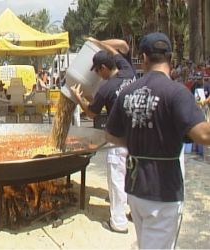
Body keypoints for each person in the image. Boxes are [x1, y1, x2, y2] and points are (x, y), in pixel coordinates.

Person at [105, 32, 210, 249]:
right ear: (170, 58)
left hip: (135, 189)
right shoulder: (177, 93)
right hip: (163, 191)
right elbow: (204, 135)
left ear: (143, 58)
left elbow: (110, 135)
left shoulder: (127, 92)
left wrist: (137, 141)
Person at [70, 39, 136, 234]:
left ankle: (118, 222)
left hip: (117, 140)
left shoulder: (106, 89)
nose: (97, 75)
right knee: (133, 177)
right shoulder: (128, 70)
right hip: (137, 137)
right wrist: (95, 42)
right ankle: (134, 211)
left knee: (116, 180)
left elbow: (91, 113)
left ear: (104, 68)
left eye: (98, 71)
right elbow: (116, 49)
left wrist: (78, 97)